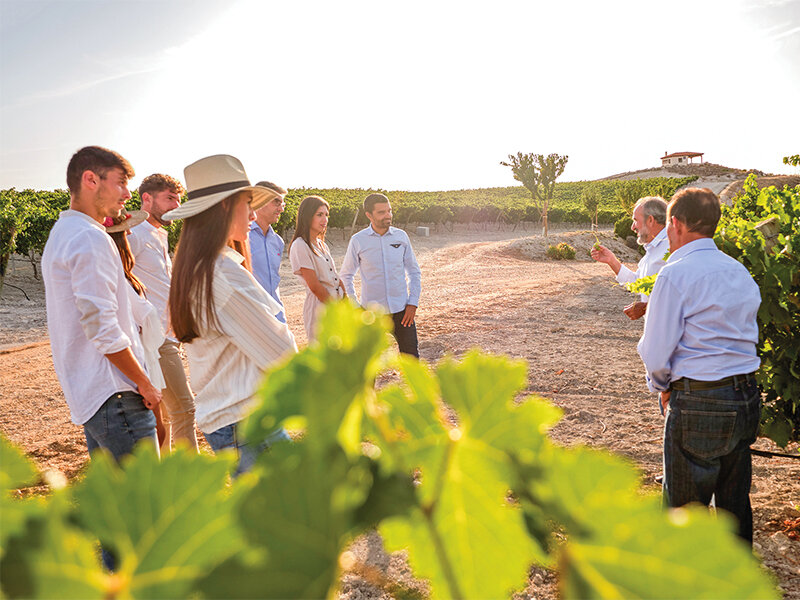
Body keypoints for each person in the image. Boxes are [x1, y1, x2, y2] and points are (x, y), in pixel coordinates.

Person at [637, 187, 761, 544]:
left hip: (698, 402)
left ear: (674, 223)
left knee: (684, 516)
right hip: (746, 397)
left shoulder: (675, 274)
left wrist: (661, 388)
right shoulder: (739, 272)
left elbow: (656, 350)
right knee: (734, 509)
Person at [164, 155, 297, 475]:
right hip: (247, 422)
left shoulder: (196, 267)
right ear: (224, 206)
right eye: (246, 203)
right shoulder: (222, 273)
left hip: (227, 420)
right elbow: (280, 353)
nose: (252, 214)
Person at [42, 146, 161, 467]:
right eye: (121, 182)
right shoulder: (90, 238)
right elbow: (101, 327)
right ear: (90, 179)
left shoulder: (61, 234)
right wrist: (144, 383)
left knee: (121, 510)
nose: (126, 193)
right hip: (118, 393)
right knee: (147, 508)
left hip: (95, 397)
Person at [128, 174, 199, 452]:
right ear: (147, 199)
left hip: (167, 335)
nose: (176, 205)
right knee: (185, 409)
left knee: (170, 414)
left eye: (178, 200)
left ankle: (170, 474)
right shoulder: (135, 235)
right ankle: (192, 476)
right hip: (154, 340)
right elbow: (119, 281)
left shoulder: (158, 234)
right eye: (170, 198)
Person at [105, 208, 169, 447]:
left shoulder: (125, 275)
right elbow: (146, 317)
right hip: (141, 358)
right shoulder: (119, 278)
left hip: (145, 355)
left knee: (158, 429)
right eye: (126, 233)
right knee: (155, 431)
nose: (131, 234)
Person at [340, 193, 421, 357]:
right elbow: (345, 275)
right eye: (382, 212)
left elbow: (414, 271)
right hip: (371, 316)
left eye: (389, 211)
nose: (388, 216)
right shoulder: (358, 240)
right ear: (369, 215)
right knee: (368, 367)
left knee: (412, 360)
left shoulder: (401, 236)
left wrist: (413, 303)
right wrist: (355, 306)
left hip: (402, 312)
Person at [591, 196, 669, 320]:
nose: (632, 227)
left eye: (635, 220)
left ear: (650, 220)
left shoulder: (672, 248)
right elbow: (638, 283)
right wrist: (612, 261)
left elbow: (684, 296)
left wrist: (647, 307)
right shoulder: (653, 250)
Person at [288, 195, 346, 339]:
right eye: (319, 215)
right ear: (307, 216)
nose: (324, 220)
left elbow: (336, 278)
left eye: (326, 215)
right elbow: (314, 286)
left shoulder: (322, 245)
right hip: (321, 309)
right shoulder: (300, 245)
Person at [249, 180, 288, 322]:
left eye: (282, 204)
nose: (281, 209)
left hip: (277, 318)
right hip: (251, 320)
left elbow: (273, 285)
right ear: (259, 201)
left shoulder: (277, 242)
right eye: (277, 202)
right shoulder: (240, 238)